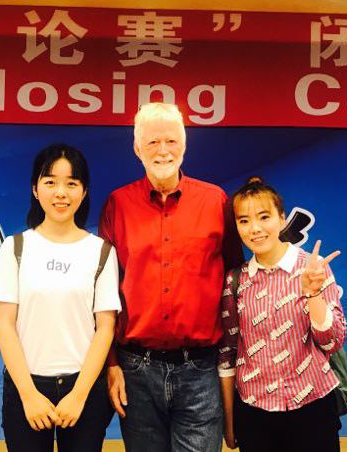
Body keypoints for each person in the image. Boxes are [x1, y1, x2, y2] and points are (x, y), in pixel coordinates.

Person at [99, 102, 243, 452]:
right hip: (136, 371)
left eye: (171, 141)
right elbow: (102, 292)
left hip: (201, 370)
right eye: (152, 142)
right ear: (137, 149)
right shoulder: (118, 204)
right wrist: (112, 364)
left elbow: (236, 278)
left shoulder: (215, 201)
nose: (162, 150)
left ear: (184, 145)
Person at [0, 143, 121, 452]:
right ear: (35, 189)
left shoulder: (101, 251)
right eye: (50, 182)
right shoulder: (15, 248)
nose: (61, 193)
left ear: (84, 191)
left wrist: (79, 396)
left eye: (71, 183)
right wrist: (29, 395)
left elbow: (105, 328)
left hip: (83, 388)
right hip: (26, 387)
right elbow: (4, 325)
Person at [218, 176, 347, 452]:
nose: (255, 229)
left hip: (313, 408)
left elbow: (332, 342)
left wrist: (313, 294)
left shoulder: (312, 268)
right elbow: (228, 354)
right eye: (244, 220)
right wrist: (229, 422)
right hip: (255, 414)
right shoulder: (236, 280)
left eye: (264, 217)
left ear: (282, 218)